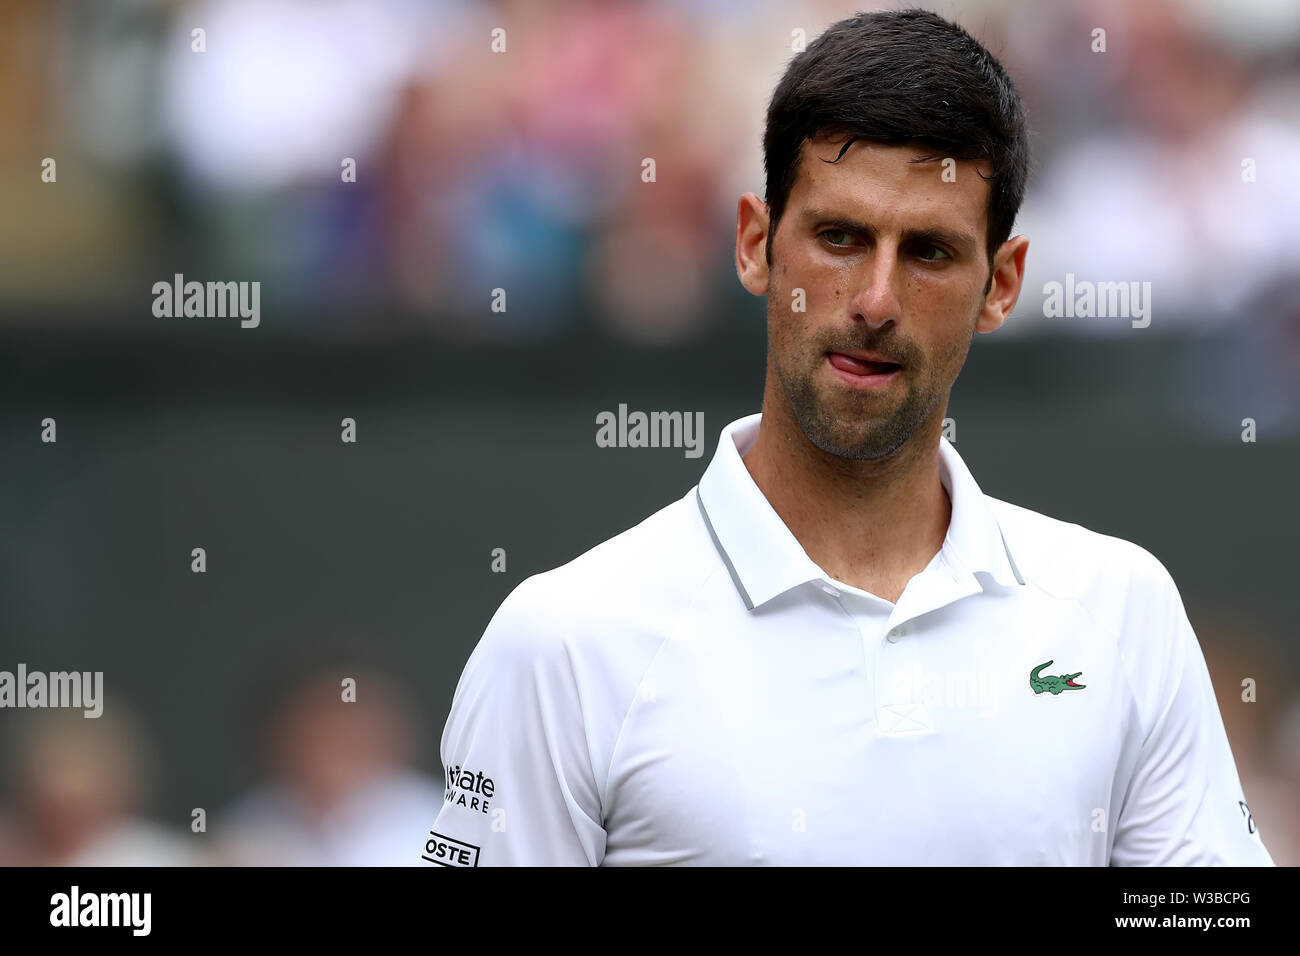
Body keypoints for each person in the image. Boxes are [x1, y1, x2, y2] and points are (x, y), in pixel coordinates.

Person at [428, 8, 1274, 866]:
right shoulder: (562, 642)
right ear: (757, 245)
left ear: (1002, 284)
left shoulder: (1124, 611)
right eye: (840, 238)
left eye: (930, 253)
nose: (875, 300)